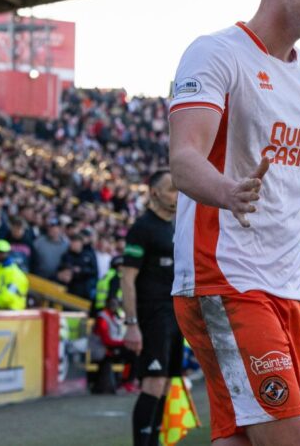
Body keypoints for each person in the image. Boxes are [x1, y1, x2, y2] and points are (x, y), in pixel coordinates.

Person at [167, 0, 300, 446]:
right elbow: (183, 160)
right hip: (225, 276)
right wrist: (226, 191)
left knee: (241, 438)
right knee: (291, 438)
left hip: (283, 286)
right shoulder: (215, 53)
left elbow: (296, 170)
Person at [120, 170, 180, 446]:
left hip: (175, 315)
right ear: (154, 193)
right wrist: (131, 323)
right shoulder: (143, 228)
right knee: (153, 382)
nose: (178, 195)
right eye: (172, 189)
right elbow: (127, 278)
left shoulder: (175, 227)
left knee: (167, 382)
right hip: (152, 314)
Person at [57, 233, 98, 300]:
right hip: (69, 287)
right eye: (73, 243)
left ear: (81, 244)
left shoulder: (88, 255)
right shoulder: (67, 255)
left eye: (76, 243)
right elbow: (61, 269)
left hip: (84, 288)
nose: (74, 245)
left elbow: (94, 271)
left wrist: (81, 270)